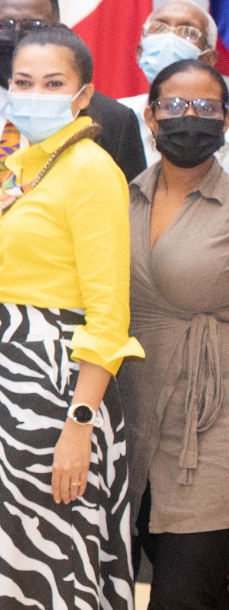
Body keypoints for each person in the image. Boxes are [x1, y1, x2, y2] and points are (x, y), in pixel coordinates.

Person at [0, 0, 146, 606]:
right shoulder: (26, 168)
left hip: (56, 396)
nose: (35, 95)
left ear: (83, 97)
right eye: (23, 83)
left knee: (49, 573)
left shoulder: (91, 170)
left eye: (53, 84)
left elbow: (109, 312)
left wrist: (79, 425)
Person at [119, 59, 229, 609]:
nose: (191, 118)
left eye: (207, 107)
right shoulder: (121, 196)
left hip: (211, 427)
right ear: (151, 115)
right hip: (132, 420)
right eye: (176, 106)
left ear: (225, 122)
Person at [117, 0, 227, 168]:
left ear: (208, 59)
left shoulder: (223, 130)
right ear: (140, 52)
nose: (169, 38)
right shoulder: (116, 116)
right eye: (158, 28)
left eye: (187, 32)